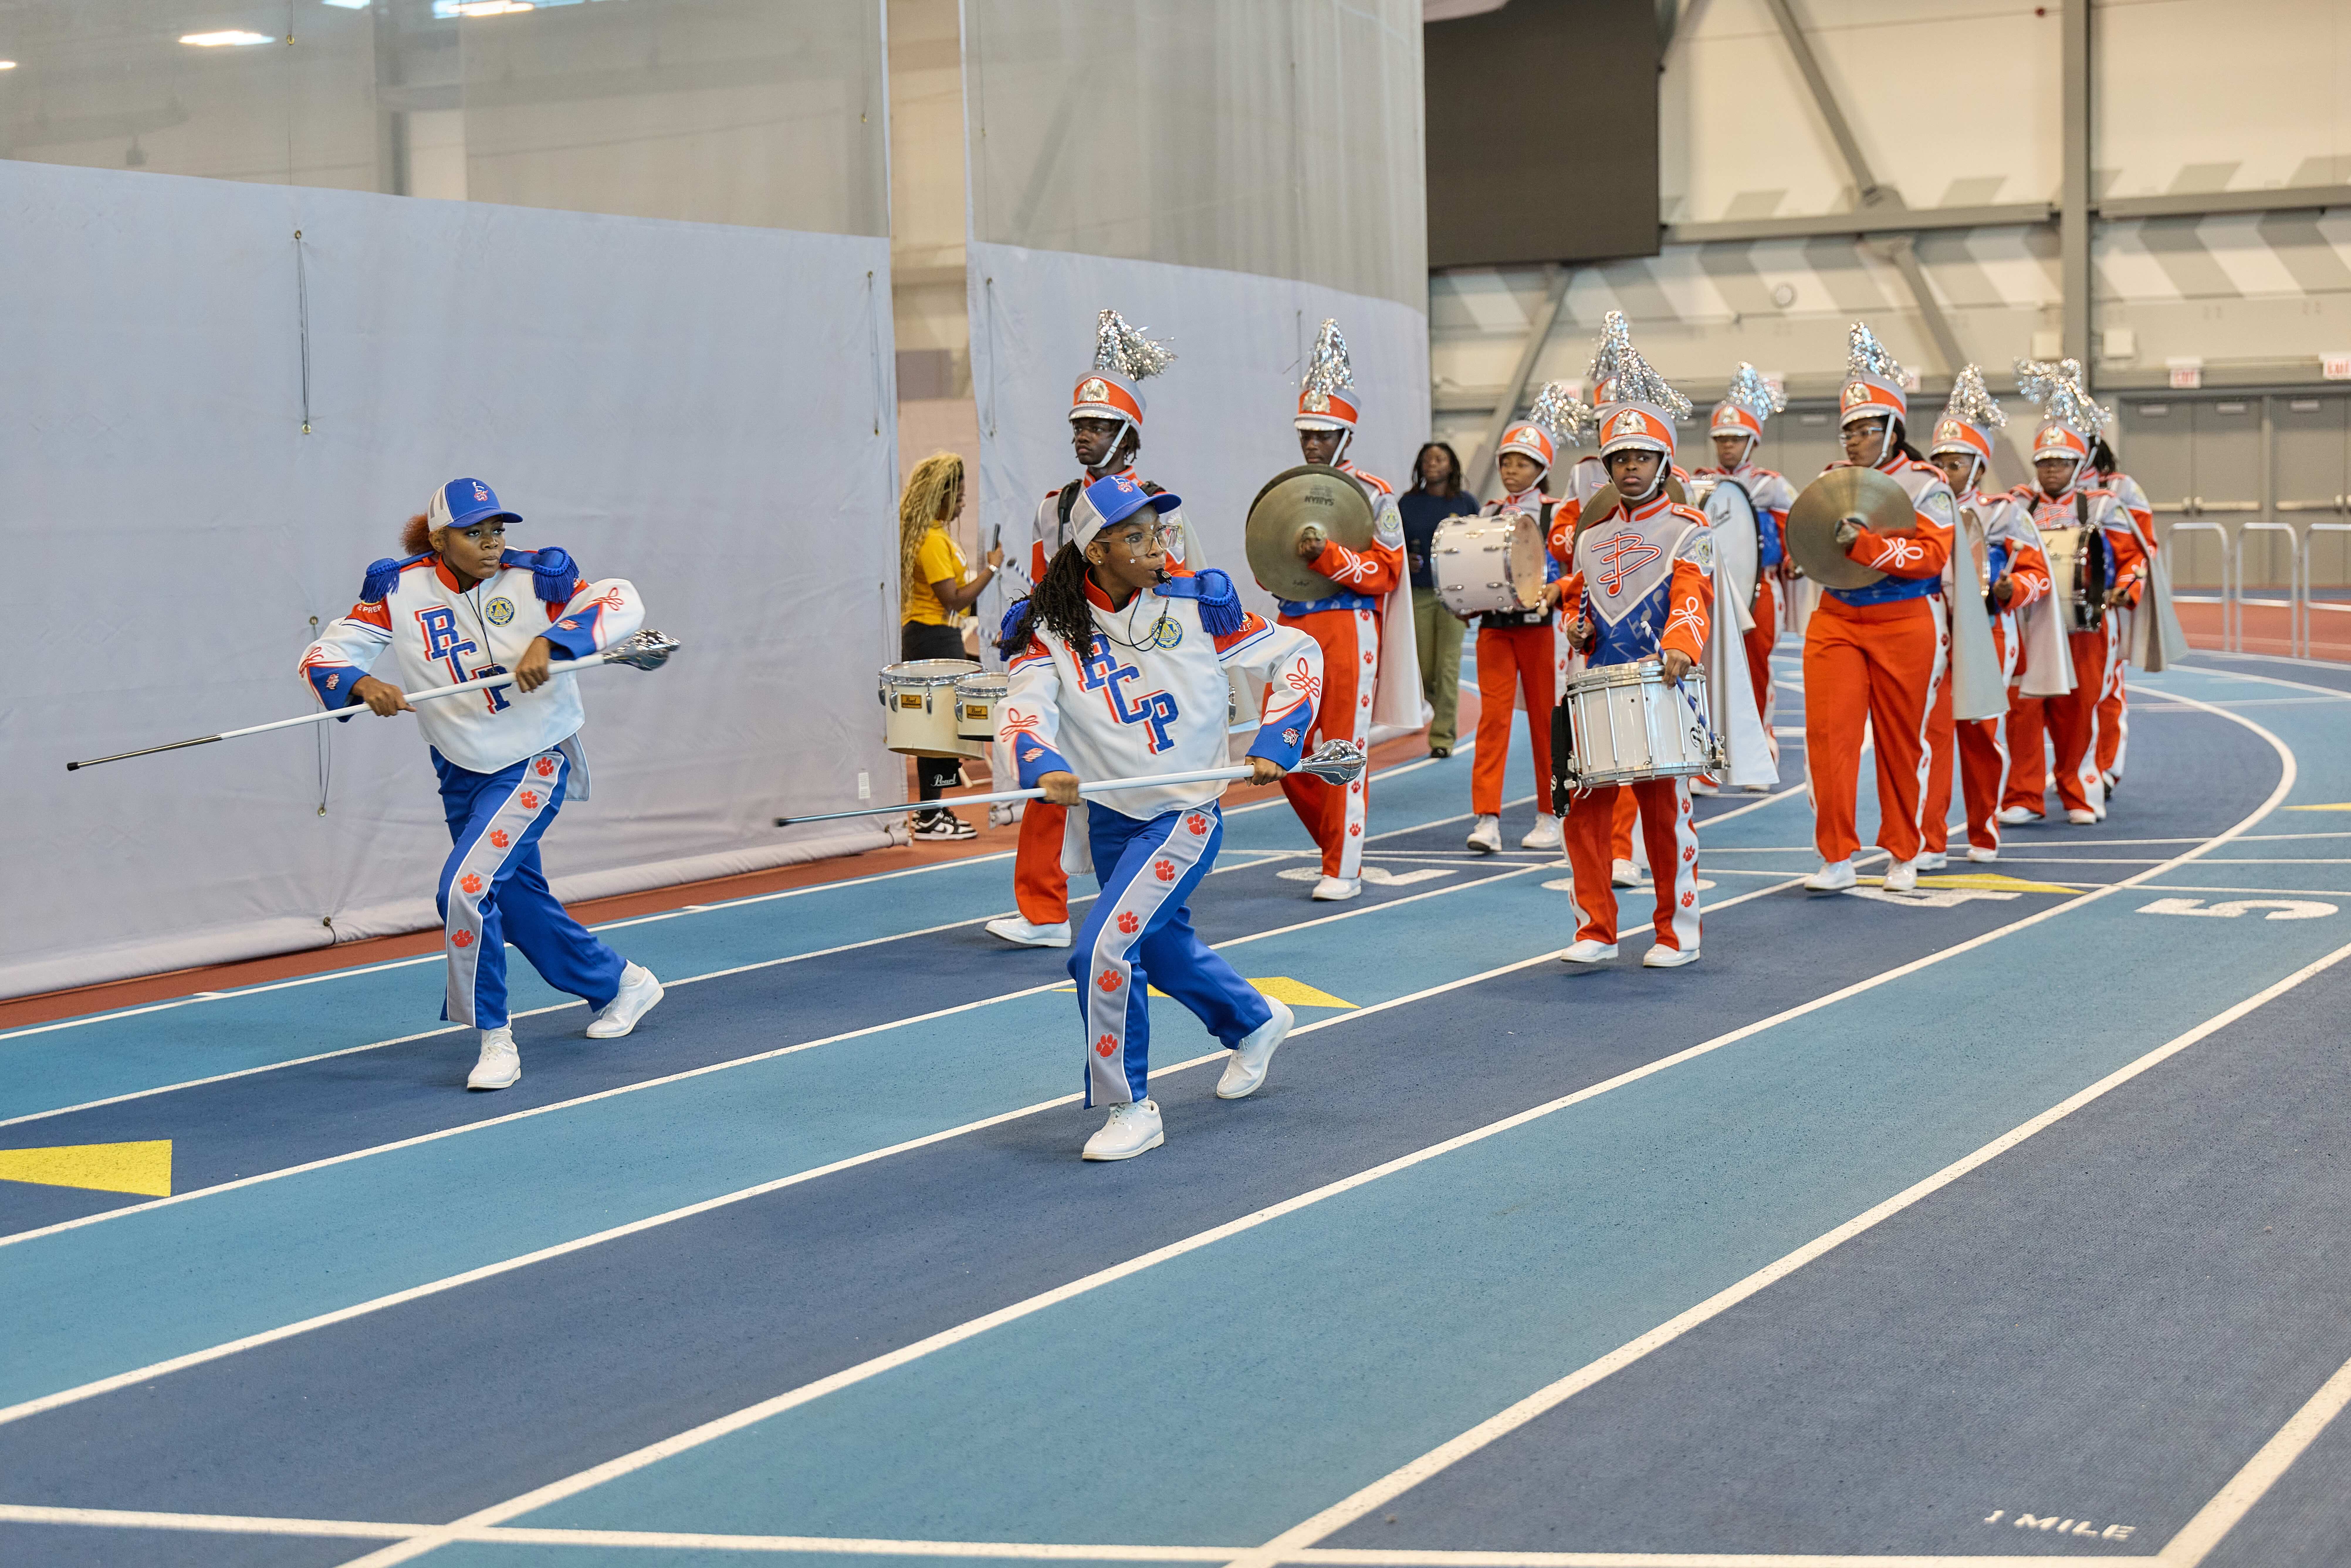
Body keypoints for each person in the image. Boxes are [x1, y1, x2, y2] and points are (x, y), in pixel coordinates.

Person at [997, 473, 1325, 1160]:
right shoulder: (1049, 629)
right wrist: (1040, 764)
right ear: (1097, 551)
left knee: (1100, 950)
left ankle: (1130, 1105)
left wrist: (1275, 740)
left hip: (1184, 816)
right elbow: (1023, 707)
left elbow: (1298, 653)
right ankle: (1253, 1018)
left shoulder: (1196, 608)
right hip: (1112, 819)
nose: (1158, 545)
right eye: (1137, 536)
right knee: (1162, 947)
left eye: (1158, 531)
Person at [296, 478, 663, 1091]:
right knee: (514, 899)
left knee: (463, 890)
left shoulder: (537, 576)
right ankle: (619, 982)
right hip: (458, 765)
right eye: (475, 532)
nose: (492, 543)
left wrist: (556, 638)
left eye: (497, 529)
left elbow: (620, 600)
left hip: (533, 757)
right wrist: (362, 685)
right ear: (440, 539)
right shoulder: (397, 587)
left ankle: (495, 1036)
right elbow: (322, 655)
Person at [987, 309, 1191, 950]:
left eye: (1099, 424)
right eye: (1079, 423)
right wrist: (1029, 618)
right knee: (1049, 778)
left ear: (1126, 434)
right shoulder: (1054, 504)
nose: (1083, 434)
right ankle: (1044, 912)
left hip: (1135, 661)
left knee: (1138, 787)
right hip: (1072, 656)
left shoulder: (1151, 503)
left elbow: (1168, 580)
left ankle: (1142, 903)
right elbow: (1049, 578)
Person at [1552, 332, 1713, 968]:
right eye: (1619, 458)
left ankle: (1678, 931)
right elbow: (1578, 597)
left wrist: (1679, 645)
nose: (1629, 469)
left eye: (1642, 457)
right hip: (1597, 682)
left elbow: (1693, 596)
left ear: (1664, 463)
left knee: (1663, 811)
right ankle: (1595, 927)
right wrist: (1575, 623)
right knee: (1581, 807)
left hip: (1658, 682)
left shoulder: (1688, 528)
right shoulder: (1589, 538)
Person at [1802, 322, 1958, 894]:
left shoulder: (1925, 483)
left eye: (1865, 429)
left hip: (1903, 620)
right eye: (1847, 429)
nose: (1853, 440)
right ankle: (1836, 854)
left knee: (1900, 741)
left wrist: (1865, 546)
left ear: (1893, 429)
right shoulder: (1829, 479)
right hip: (1836, 619)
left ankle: (1902, 850)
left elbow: (1931, 553)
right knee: (1828, 737)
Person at [1274, 318, 1413, 903]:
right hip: (1292, 623)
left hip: (1348, 624)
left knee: (1341, 747)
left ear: (1345, 436)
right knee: (1282, 748)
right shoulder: (1287, 488)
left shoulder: (1374, 494)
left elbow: (1386, 570)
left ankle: (1343, 863)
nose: (1313, 444)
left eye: (1323, 434)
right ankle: (1333, 837)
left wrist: (1328, 555)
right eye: (1306, 434)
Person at [2000, 361, 2145, 826]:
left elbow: (2134, 558)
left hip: (2087, 628)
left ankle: (2081, 794)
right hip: (2027, 624)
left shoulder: (2104, 505)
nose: (2051, 471)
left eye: (2060, 462)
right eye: (2043, 462)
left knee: (2079, 710)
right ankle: (2023, 796)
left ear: (2079, 462)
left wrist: (2125, 589)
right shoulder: (2015, 504)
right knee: (2022, 710)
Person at [1920, 368, 2051, 865]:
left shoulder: (2003, 514)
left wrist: (2010, 588)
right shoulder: (1919, 512)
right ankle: (1929, 840)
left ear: (1977, 467)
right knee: (1929, 739)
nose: (1945, 472)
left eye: (1955, 463)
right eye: (1939, 463)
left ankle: (1982, 831)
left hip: (1988, 635)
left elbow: (2038, 576)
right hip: (1930, 637)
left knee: (1979, 736)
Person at [1464, 383, 1581, 854]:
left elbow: (1577, 570)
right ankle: (1486, 817)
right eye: (1506, 462)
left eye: (1523, 463)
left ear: (1542, 469)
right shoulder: (1488, 512)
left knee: (1545, 724)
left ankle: (1550, 812)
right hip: (1495, 628)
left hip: (1543, 632)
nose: (1512, 470)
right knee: (1491, 722)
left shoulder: (1559, 515)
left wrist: (1556, 588)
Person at [1692, 363, 1796, 765]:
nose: (1727, 447)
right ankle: (1709, 750)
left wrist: (1788, 556)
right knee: (1706, 668)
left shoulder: (1772, 485)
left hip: (1759, 589)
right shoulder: (1699, 483)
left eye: (1735, 438)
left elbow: (1795, 539)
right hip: (1709, 589)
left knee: (1755, 668)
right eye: (1721, 439)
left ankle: (1758, 743)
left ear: (1752, 441)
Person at [898, 452, 1001, 842]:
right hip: (931, 638)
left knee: (944, 732)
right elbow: (953, 600)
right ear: (938, 496)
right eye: (956, 495)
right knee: (938, 733)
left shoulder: (938, 536)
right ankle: (929, 816)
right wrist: (992, 568)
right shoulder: (930, 540)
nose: (962, 502)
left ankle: (934, 812)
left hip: (940, 636)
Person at [2089, 434, 2157, 797]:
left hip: (2108, 606)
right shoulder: (2040, 488)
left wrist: (2127, 588)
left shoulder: (2122, 489)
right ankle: (2074, 768)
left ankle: (2106, 769)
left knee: (2106, 688)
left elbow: (2144, 546)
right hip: (2053, 613)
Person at [1401, 441, 1476, 758]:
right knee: (1423, 668)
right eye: (1427, 459)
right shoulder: (1406, 503)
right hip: (1418, 592)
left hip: (1453, 595)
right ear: (1420, 465)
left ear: (1452, 466)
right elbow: (1392, 547)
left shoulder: (1466, 503)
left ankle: (1443, 736)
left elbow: (1477, 547)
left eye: (1440, 458)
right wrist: (1407, 559)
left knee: (1447, 666)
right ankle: (1437, 706)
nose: (1433, 463)